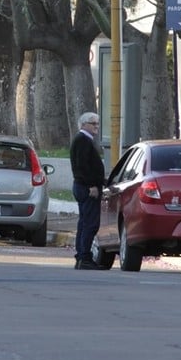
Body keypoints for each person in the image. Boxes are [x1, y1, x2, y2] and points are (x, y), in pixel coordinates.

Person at [70, 112, 106, 270]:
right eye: (93, 123)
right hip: (87, 188)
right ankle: (84, 257)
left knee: (85, 223)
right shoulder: (82, 140)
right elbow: (82, 167)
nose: (96, 126)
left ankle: (81, 256)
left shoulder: (85, 140)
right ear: (83, 124)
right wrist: (92, 185)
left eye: (97, 123)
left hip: (84, 186)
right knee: (90, 223)